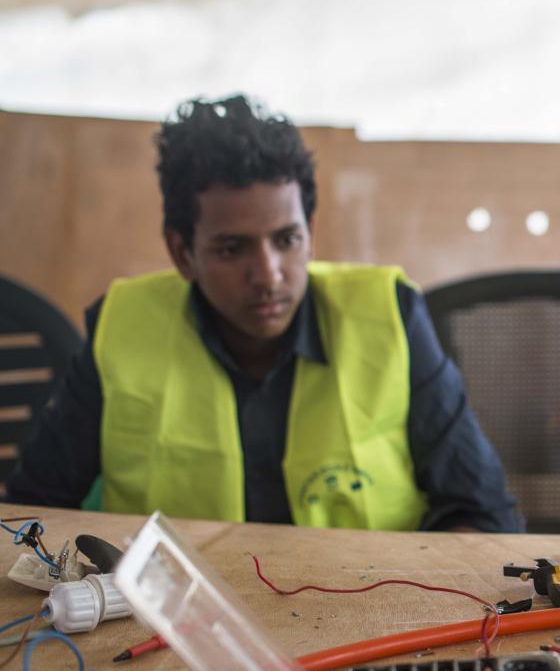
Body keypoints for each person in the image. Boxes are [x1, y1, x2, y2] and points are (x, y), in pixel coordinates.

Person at [3, 95, 523, 533]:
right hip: (175, 619)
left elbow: (484, 514)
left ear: (310, 234)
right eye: (232, 249)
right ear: (183, 253)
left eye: (286, 240)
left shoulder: (390, 315)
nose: (269, 274)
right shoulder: (123, 328)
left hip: (369, 608)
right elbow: (32, 513)